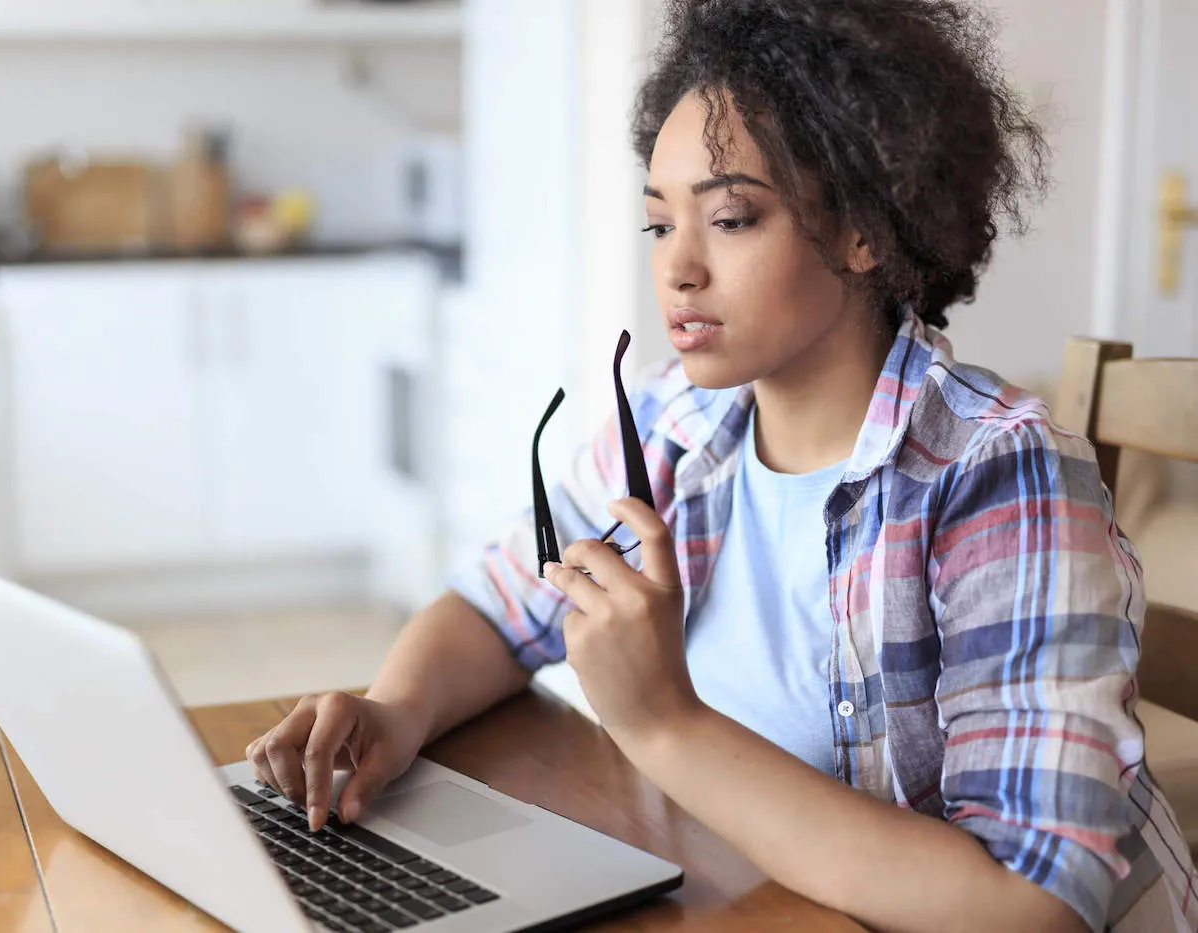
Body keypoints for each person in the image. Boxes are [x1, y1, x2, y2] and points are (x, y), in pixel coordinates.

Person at [247, 2, 1198, 930]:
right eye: (661, 224)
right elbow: (501, 605)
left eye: (733, 218)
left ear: (866, 228)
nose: (678, 268)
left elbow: (1026, 903)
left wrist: (662, 720)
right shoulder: (676, 418)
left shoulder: (1000, 475)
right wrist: (396, 710)